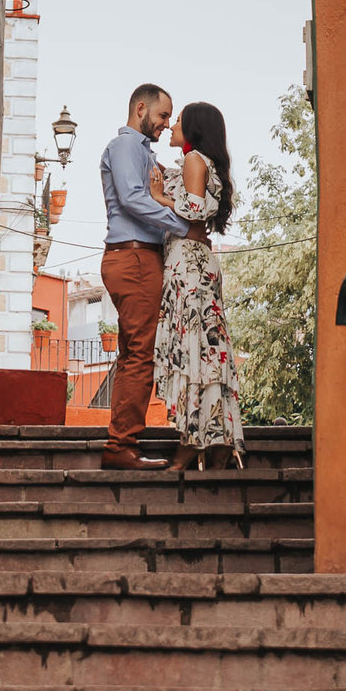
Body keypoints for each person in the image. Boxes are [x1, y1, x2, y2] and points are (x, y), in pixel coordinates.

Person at [151, 101, 242, 470]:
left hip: (187, 263)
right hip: (198, 262)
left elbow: (193, 208)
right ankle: (215, 437)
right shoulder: (204, 164)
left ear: (194, 128)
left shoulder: (194, 160)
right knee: (207, 349)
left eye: (179, 121)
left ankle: (192, 440)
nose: (172, 125)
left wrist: (159, 197)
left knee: (193, 347)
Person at [97, 84, 179, 470]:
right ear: (141, 108)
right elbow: (131, 198)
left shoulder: (140, 152)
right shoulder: (127, 147)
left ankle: (121, 441)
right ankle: (120, 446)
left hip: (133, 258)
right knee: (140, 355)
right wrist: (181, 225)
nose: (166, 124)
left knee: (133, 353)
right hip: (134, 259)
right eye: (163, 116)